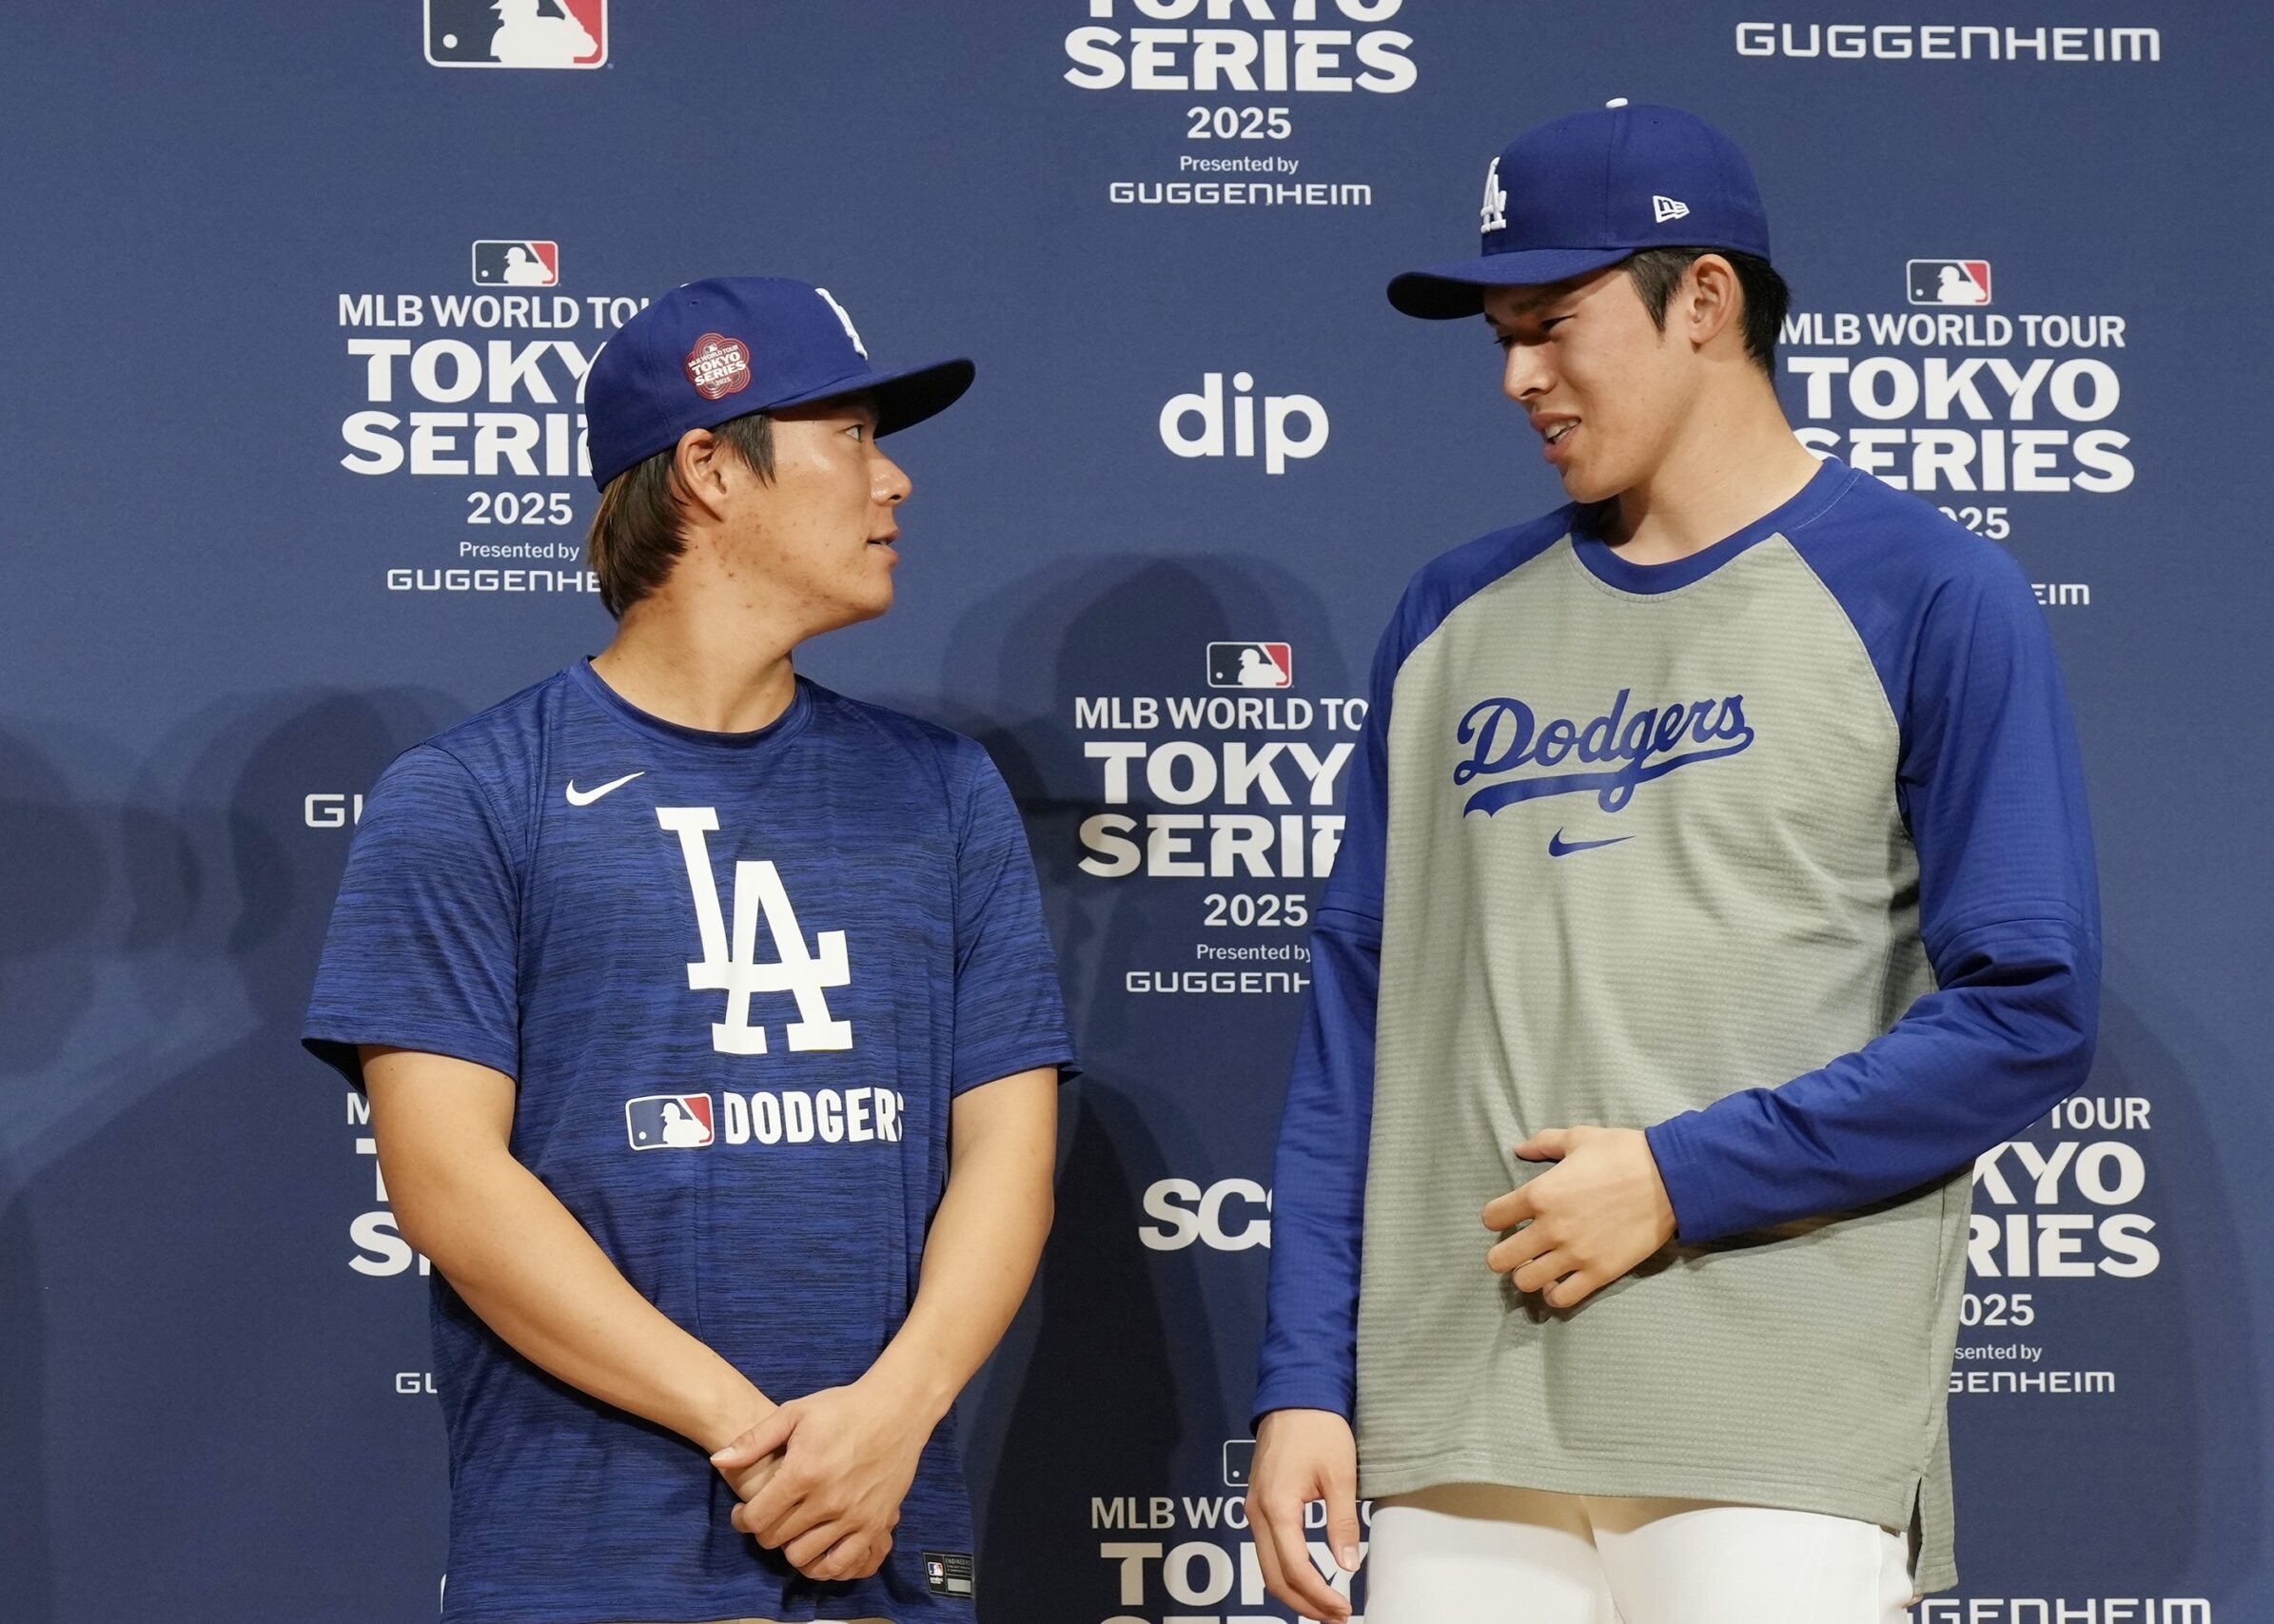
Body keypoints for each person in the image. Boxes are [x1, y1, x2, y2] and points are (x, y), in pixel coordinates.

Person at [1248, 104, 2100, 1624]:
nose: (1518, 376)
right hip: (1457, 1428)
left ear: (1703, 299)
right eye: (1501, 334)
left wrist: (1674, 1178)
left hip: (1769, 1433)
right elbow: (1358, 1025)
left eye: (1554, 324)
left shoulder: (1929, 591)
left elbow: (2024, 1010)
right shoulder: (1450, 616)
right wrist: (1306, 1378)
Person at [304, 276, 1072, 1624]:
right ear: (711, 466)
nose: (894, 484)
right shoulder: (472, 794)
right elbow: (443, 1179)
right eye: (852, 437)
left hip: (882, 1534)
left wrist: (894, 1415)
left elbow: (1008, 1147)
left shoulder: (943, 791)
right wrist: (755, 1433)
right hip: (593, 1550)